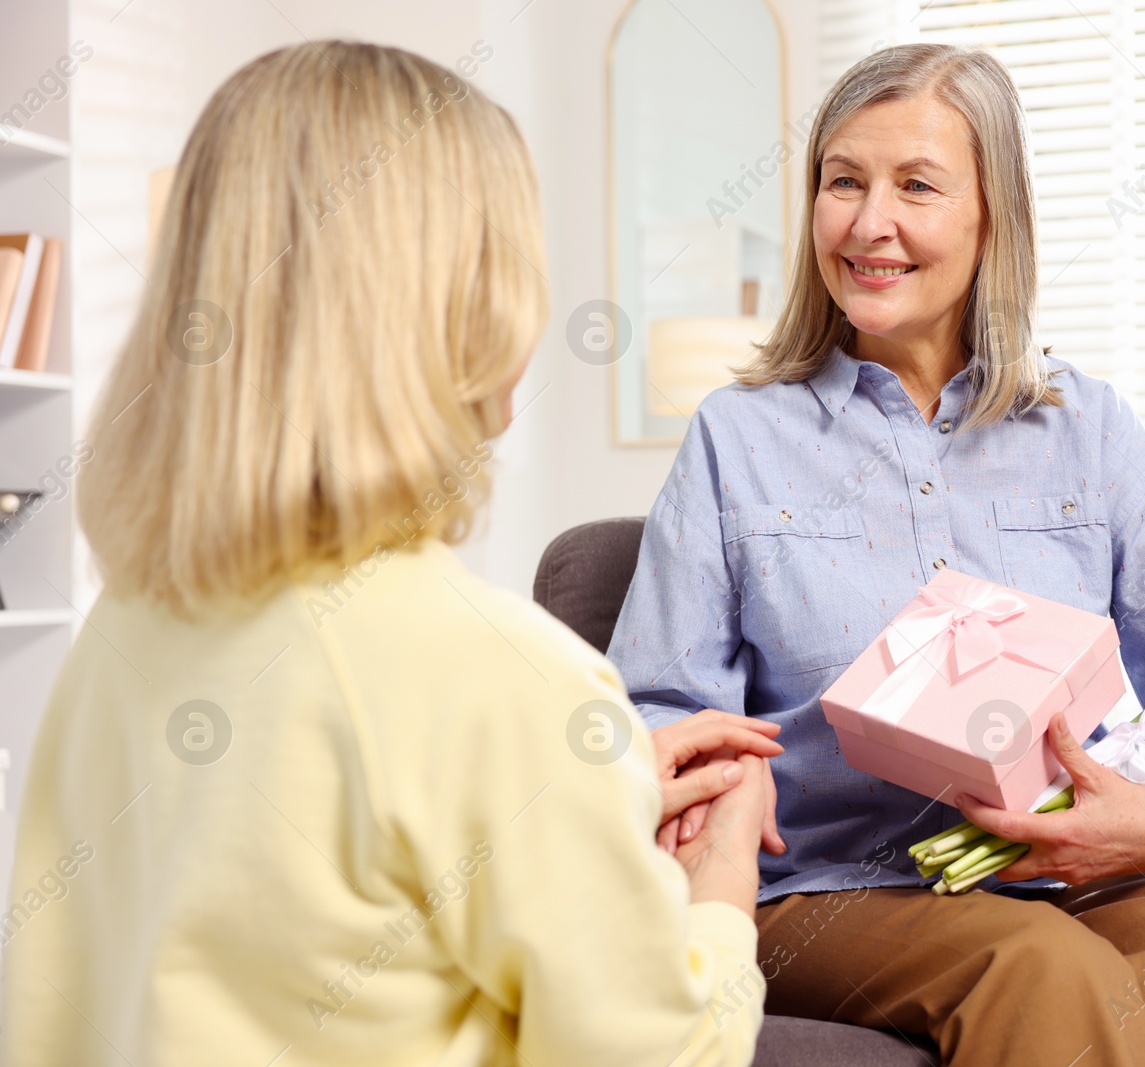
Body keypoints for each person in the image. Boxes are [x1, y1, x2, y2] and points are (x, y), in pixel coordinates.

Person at [2, 41, 775, 1067]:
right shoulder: (505, 679)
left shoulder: (125, 630)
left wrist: (601, 770)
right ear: (470, 303)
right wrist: (721, 891)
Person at [609, 42, 1145, 1066]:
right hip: (831, 890)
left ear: (992, 216)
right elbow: (659, 712)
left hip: (1073, 877)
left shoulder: (1087, 428)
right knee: (1040, 964)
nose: (867, 221)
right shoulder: (738, 436)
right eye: (843, 181)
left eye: (915, 186)